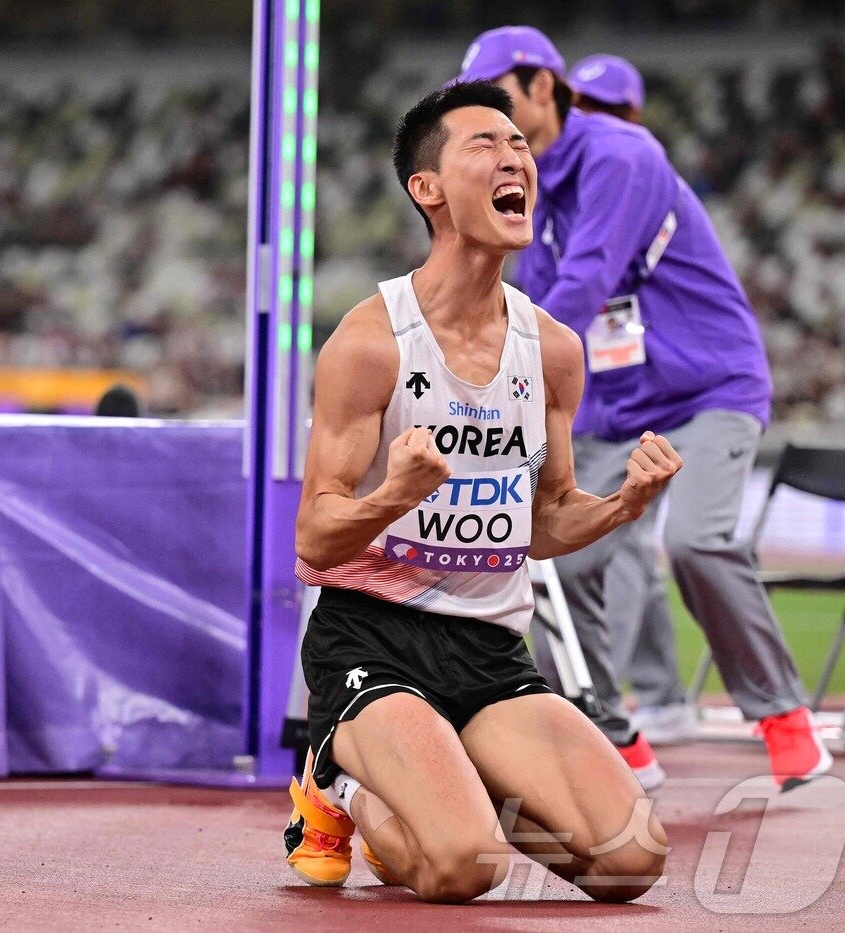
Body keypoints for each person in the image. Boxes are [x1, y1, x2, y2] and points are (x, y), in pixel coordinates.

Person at [283, 80, 676, 902]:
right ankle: (337, 779)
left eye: (520, 146)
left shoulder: (554, 350)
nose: (514, 158)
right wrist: (397, 492)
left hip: (493, 652)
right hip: (374, 643)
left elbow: (545, 520)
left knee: (632, 861)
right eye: (485, 145)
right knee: (466, 867)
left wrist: (619, 507)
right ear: (426, 189)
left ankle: (450, 778)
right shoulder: (371, 341)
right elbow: (314, 540)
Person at [460, 26, 829, 790]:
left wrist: (492, 365)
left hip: (709, 388)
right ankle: (614, 737)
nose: (484, 124)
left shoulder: (620, 155)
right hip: (613, 406)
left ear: (540, 86)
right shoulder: (520, 181)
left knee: (695, 541)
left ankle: (785, 716)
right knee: (557, 557)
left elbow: (587, 281)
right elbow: (518, 290)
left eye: (497, 102)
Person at [568, 52, 698, 745]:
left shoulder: (640, 183)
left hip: (632, 398)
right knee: (629, 550)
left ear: (634, 117)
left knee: (613, 546)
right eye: (583, 106)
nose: (593, 119)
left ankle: (607, 697)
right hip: (590, 396)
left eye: (607, 109)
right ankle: (660, 692)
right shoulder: (577, 189)